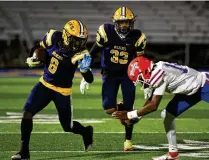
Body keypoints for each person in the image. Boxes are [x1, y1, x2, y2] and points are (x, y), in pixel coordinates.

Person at [11, 20, 94, 160]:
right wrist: (32, 57)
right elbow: (38, 47)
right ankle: (24, 152)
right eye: (75, 40)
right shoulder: (54, 36)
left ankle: (86, 132)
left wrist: (85, 71)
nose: (78, 44)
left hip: (62, 91)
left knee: (67, 127)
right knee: (27, 113)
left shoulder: (81, 53)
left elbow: (90, 78)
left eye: (81, 41)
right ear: (66, 35)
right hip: (44, 84)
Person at [112, 56, 209, 160]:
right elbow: (151, 100)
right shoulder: (157, 68)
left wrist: (128, 115)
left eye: (140, 78)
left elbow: (153, 105)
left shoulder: (159, 74)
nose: (141, 81)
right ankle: (173, 154)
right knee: (167, 115)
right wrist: (136, 118)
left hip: (204, 85)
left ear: (145, 71)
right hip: (189, 92)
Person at [80, 7, 147, 151]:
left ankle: (128, 141)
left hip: (128, 75)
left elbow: (140, 60)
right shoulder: (106, 32)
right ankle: (122, 107)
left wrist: (145, 80)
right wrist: (86, 73)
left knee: (129, 111)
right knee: (109, 108)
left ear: (132, 23)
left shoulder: (137, 37)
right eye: (121, 22)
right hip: (109, 74)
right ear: (115, 22)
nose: (124, 25)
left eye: (127, 22)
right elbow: (94, 51)